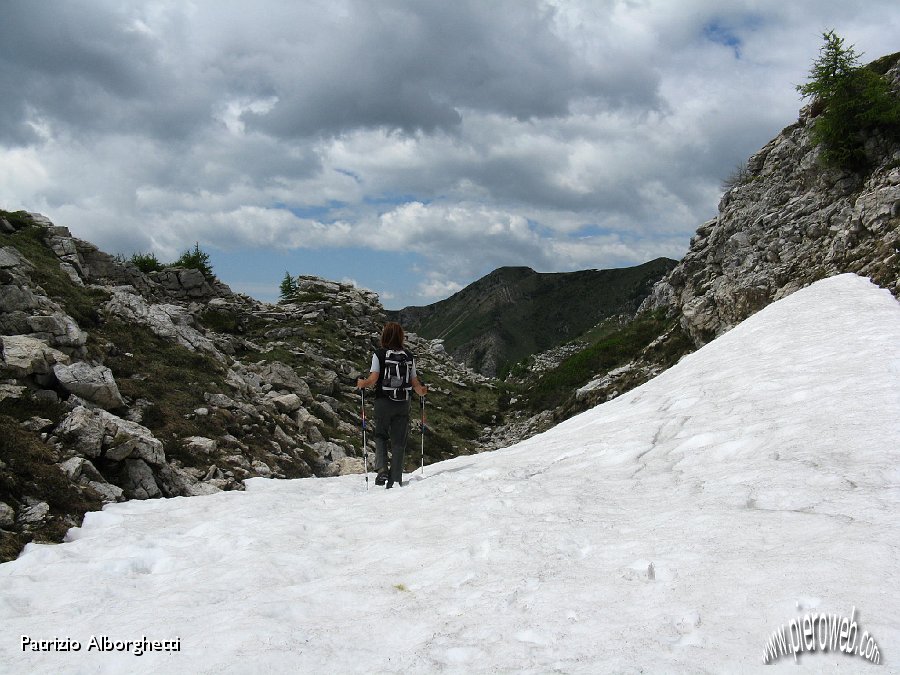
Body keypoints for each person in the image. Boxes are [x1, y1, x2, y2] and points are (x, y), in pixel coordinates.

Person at [356, 322, 428, 488]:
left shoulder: (379, 354)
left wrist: (362, 383)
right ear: (401, 336)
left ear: (384, 336)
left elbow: (373, 380)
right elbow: (415, 383)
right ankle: (395, 479)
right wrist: (423, 391)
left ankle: (381, 469)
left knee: (381, 435)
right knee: (399, 441)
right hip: (403, 402)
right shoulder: (408, 356)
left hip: (383, 401)